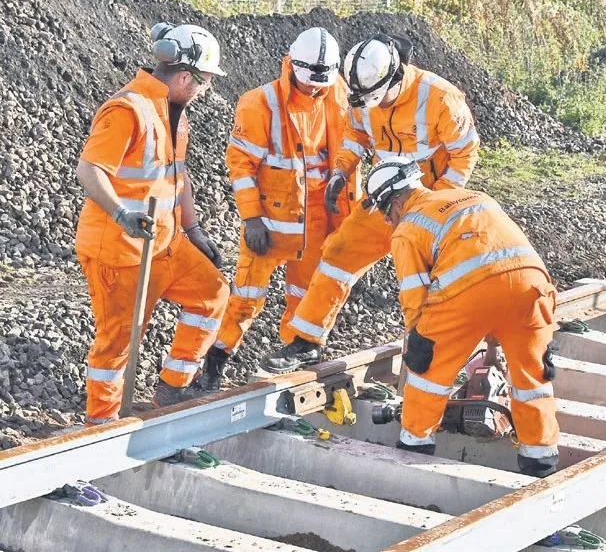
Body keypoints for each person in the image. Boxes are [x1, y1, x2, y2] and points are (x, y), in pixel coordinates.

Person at [263, 32, 480, 373]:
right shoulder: (362, 94)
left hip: (429, 202)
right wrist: (340, 172)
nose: (370, 105)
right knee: (337, 255)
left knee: (429, 281)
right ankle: (305, 342)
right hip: (385, 196)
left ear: (393, 78)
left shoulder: (440, 98)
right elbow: (356, 135)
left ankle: (437, 349)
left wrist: (441, 201)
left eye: (374, 98)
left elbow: (465, 153)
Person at [362, 156, 561, 478]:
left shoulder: (407, 229)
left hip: (467, 295)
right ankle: (541, 464)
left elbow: (414, 295)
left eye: (385, 212)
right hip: (533, 289)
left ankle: (415, 448)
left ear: (396, 201)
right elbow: (501, 266)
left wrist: (418, 343)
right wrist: (494, 347)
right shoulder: (474, 197)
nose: (387, 220)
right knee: (533, 380)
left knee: (428, 376)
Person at [74, 22, 230, 425]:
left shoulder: (173, 114)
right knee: (119, 342)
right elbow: (90, 170)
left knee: (212, 293)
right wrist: (122, 214)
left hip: (164, 242)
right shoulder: (128, 109)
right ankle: (101, 422)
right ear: (184, 76)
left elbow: (179, 177)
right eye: (205, 82)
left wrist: (194, 230)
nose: (205, 91)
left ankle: (173, 386)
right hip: (120, 249)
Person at [197, 27, 357, 389]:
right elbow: (241, 166)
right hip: (271, 219)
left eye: (322, 83)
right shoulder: (260, 103)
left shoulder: (339, 94)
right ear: (291, 66)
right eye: (309, 82)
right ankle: (214, 363)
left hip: (319, 216)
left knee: (306, 295)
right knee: (246, 297)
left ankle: (294, 361)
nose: (315, 89)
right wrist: (252, 217)